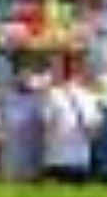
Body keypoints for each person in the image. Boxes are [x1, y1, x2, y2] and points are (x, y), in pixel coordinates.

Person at [41, 52, 103, 183]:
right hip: (81, 160)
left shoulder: (52, 95)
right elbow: (95, 131)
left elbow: (46, 126)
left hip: (57, 158)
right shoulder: (89, 96)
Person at [0, 61, 48, 183]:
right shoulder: (6, 96)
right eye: (22, 76)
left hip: (33, 148)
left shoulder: (40, 98)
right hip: (11, 148)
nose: (25, 80)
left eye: (28, 77)